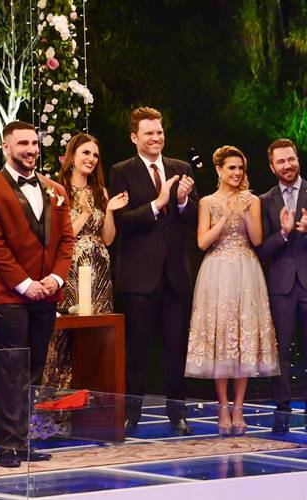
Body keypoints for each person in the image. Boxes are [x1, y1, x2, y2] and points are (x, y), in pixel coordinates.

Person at [0, 121, 73, 467]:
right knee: (11, 369)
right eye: (23, 144)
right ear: (6, 147)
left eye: (34, 143)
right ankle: (8, 445)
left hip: (47, 293)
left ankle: (23, 439)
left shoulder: (55, 189)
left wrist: (56, 278)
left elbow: (66, 240)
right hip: (9, 294)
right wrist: (26, 283)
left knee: (33, 368)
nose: (30, 149)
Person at [110, 106, 197, 436]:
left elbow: (195, 218)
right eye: (149, 133)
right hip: (138, 277)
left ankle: (178, 413)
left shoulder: (181, 168)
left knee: (177, 348)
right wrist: (158, 203)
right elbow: (122, 221)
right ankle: (132, 413)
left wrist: (184, 201)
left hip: (175, 276)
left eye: (159, 132)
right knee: (137, 350)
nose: (156, 138)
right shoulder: (122, 171)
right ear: (135, 137)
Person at [185, 145, 279, 436]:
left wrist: (246, 210)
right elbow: (202, 242)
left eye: (241, 168)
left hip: (246, 270)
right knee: (222, 336)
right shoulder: (207, 202)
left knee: (243, 336)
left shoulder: (252, 200)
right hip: (217, 271)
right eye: (231, 168)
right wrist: (224, 216)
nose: (237, 173)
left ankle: (239, 407)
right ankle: (223, 406)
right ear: (219, 170)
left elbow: (257, 239)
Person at [42, 133, 128, 389]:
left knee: (98, 332)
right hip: (70, 266)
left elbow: (108, 238)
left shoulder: (99, 190)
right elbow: (61, 237)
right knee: (66, 332)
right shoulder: (57, 191)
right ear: (72, 157)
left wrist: (109, 211)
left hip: (99, 267)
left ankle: (94, 397)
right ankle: (56, 399)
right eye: (86, 153)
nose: (91, 159)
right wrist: (85, 213)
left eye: (95, 155)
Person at [257, 138, 307, 435]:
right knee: (280, 350)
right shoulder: (264, 200)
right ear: (271, 166)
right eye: (281, 161)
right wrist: (284, 234)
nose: (287, 165)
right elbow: (261, 248)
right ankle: (282, 408)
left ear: (298, 160)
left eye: (291, 159)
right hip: (281, 284)